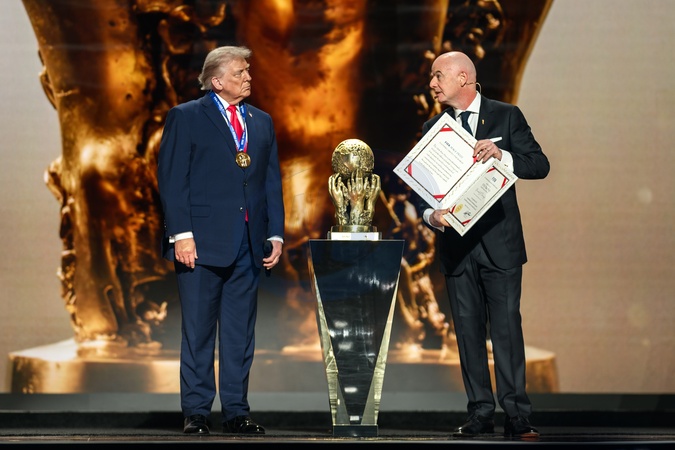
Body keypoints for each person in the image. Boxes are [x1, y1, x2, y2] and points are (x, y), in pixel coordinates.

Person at [419, 51, 550, 438]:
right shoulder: (433, 127)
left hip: (499, 244)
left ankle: (516, 414)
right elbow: (419, 189)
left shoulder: (506, 116)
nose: (432, 83)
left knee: (506, 330)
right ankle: (479, 412)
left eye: (437, 75)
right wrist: (431, 216)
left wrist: (502, 155)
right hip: (457, 248)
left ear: (463, 78)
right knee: (467, 332)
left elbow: (539, 164)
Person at [157, 46, 285, 435]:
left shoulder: (261, 121)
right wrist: (182, 235)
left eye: (248, 71)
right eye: (240, 72)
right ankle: (196, 411)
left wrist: (275, 233)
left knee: (239, 333)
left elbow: (271, 181)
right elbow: (173, 180)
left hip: (248, 242)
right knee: (198, 331)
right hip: (200, 243)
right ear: (216, 80)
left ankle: (236, 412)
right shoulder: (186, 116)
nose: (248, 77)